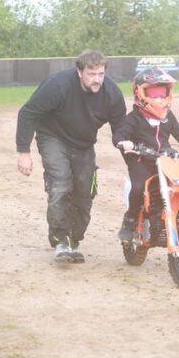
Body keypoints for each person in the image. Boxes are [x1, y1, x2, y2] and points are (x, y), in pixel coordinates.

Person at [16, 49, 127, 263]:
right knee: (60, 183)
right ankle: (60, 241)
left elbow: (121, 127)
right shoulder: (58, 85)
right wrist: (24, 152)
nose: (97, 80)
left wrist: (128, 147)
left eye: (101, 74)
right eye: (91, 74)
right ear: (79, 72)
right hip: (53, 137)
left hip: (84, 143)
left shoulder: (111, 94)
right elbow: (28, 112)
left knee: (85, 194)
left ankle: (72, 240)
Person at [112, 67, 179, 243]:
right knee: (139, 187)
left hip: (166, 160)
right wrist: (124, 142)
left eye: (162, 92)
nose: (158, 97)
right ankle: (130, 221)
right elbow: (119, 135)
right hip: (141, 160)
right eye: (153, 92)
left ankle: (175, 216)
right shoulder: (134, 117)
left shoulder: (168, 116)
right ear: (139, 92)